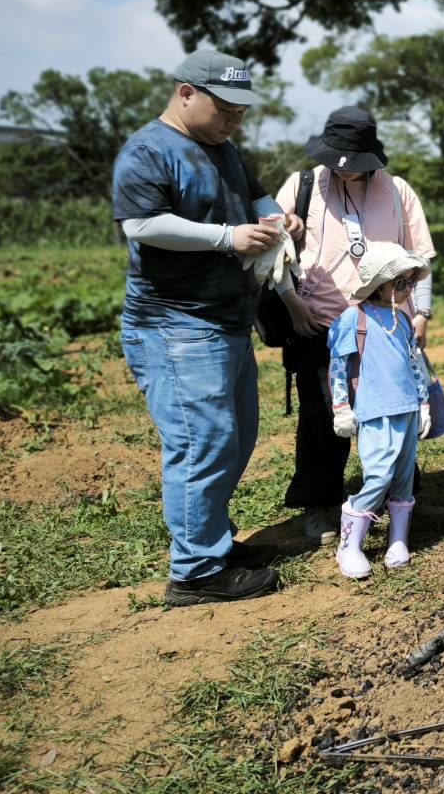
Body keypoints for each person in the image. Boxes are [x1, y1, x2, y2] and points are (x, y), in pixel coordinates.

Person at [113, 49, 300, 606]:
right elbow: (140, 225)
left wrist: (273, 216)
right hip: (175, 324)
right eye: (225, 109)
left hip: (225, 322)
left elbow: (256, 192)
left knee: (234, 439)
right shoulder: (148, 150)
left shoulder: (223, 147)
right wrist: (226, 237)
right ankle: (195, 573)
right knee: (201, 444)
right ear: (186, 93)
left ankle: (210, 542)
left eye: (241, 111)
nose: (234, 119)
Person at [274, 107, 438, 545]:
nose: (345, 173)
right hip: (318, 323)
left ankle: (397, 494)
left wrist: (420, 313)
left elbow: (420, 256)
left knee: (395, 409)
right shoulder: (301, 185)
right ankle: (321, 504)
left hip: (387, 325)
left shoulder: (398, 192)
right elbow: (270, 251)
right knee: (322, 418)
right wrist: (292, 302)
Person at [328, 243, 432, 579]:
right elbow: (338, 365)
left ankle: (397, 539)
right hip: (375, 411)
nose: (406, 289)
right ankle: (349, 544)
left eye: (410, 283)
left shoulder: (401, 319)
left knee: (403, 478)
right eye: (399, 283)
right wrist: (341, 406)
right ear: (378, 284)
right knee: (378, 476)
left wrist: (423, 402)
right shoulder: (353, 318)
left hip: (406, 409)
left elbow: (415, 362)